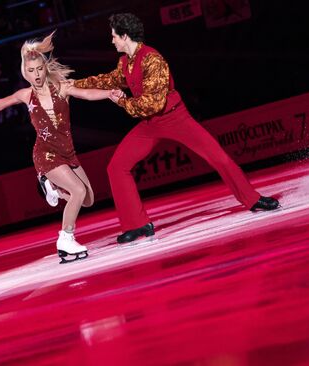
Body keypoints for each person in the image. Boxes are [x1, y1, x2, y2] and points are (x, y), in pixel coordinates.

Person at [74, 13, 279, 244]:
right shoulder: (125, 62)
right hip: (151, 124)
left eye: (113, 37)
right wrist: (72, 84)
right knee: (116, 167)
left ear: (124, 36)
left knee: (218, 158)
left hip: (174, 118)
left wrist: (120, 101)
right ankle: (138, 225)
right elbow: (107, 80)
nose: (112, 41)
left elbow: (151, 104)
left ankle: (253, 199)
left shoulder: (153, 59)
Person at [0, 32, 116, 263]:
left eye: (39, 69)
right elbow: (1, 104)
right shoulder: (26, 95)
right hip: (45, 153)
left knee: (88, 199)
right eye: (31, 71)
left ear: (45, 69)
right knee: (78, 191)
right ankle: (65, 239)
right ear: (26, 72)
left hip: (68, 152)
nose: (36, 75)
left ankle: (53, 189)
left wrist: (109, 94)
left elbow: (85, 93)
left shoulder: (61, 87)